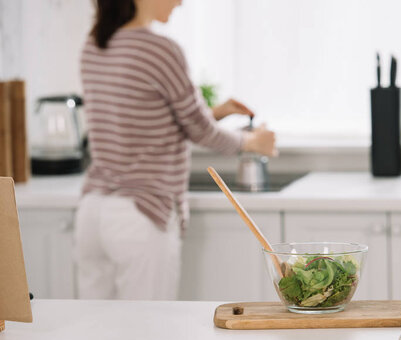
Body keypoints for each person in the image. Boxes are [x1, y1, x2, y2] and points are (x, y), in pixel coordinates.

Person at [74, 0, 276, 300]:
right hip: (141, 213)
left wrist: (215, 112)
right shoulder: (160, 50)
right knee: (149, 332)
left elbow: (143, 116)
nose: (181, 2)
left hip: (93, 213)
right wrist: (251, 142)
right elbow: (199, 130)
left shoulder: (94, 47)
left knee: (94, 333)